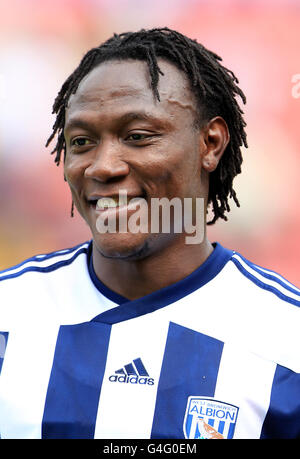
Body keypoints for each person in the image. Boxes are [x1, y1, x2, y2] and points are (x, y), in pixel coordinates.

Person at [0, 28, 299, 440]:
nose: (102, 167)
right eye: (82, 141)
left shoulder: (287, 340)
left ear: (210, 143)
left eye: (138, 136)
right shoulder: (9, 316)